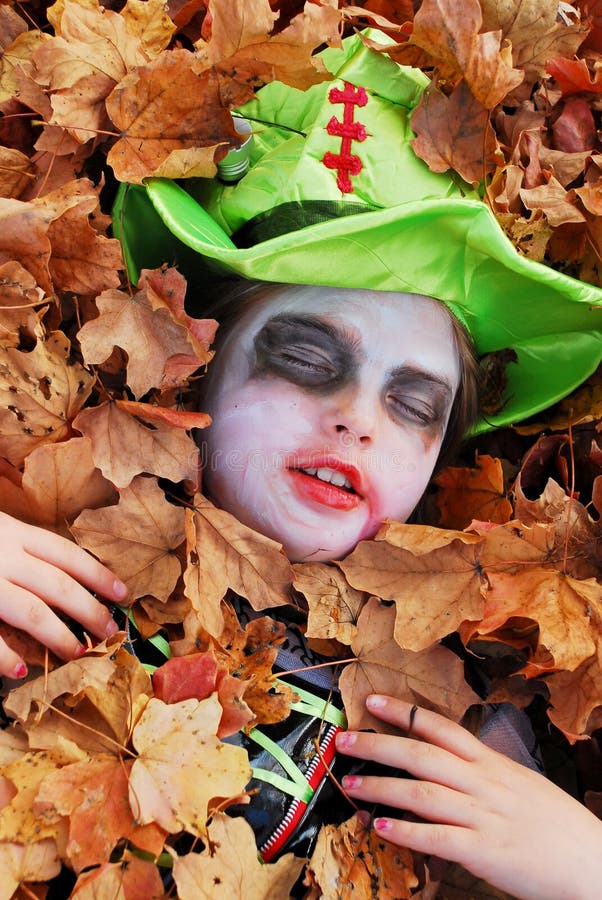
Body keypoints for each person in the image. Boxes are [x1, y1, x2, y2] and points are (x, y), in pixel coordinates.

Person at [2, 31, 602, 898]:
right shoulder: (57, 551)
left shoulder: (461, 697)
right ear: (194, 360)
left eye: (414, 406)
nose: (357, 419)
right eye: (311, 362)